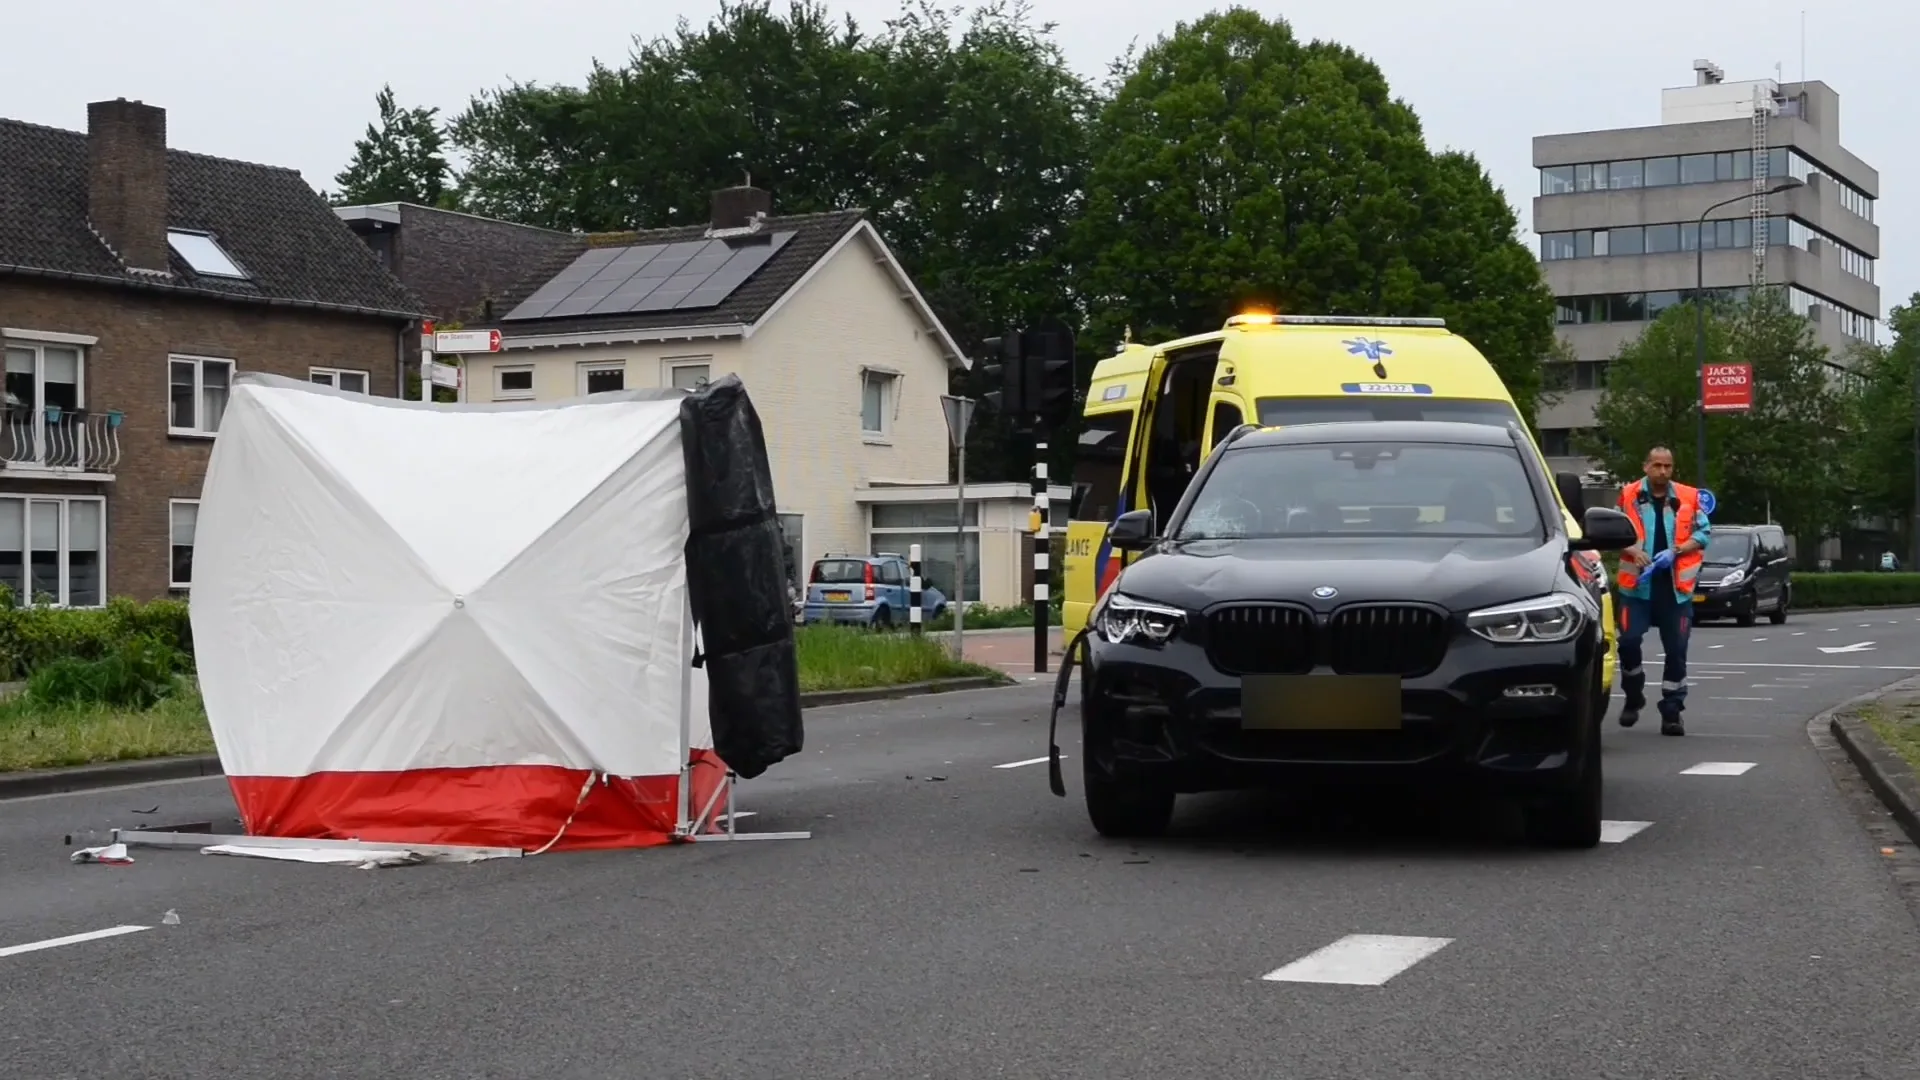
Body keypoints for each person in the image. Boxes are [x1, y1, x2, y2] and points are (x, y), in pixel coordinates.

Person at [1614, 446, 1712, 736]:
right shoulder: (1629, 494)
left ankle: (1672, 712)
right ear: (1645, 466)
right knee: (1628, 642)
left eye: (1667, 466)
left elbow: (1703, 533)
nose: (1663, 471)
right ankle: (1634, 695)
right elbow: (1613, 532)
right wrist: (1634, 551)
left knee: (1677, 651)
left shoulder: (1688, 496)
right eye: (1657, 465)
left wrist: (1676, 551)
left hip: (1675, 590)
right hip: (1637, 588)